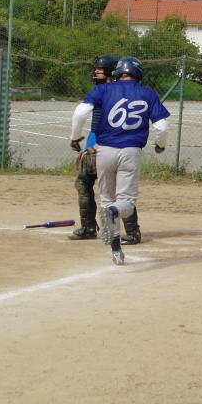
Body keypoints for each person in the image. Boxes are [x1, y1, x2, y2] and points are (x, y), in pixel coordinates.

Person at [70, 56, 170, 265]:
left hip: (104, 150)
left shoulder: (105, 90)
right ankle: (119, 220)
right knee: (126, 201)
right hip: (130, 151)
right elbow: (162, 127)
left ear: (116, 73)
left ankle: (115, 247)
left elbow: (80, 113)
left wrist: (75, 137)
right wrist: (160, 145)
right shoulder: (147, 93)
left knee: (107, 199)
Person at [68, 54, 143, 244]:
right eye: (96, 68)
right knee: (84, 183)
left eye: (101, 69)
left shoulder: (112, 90)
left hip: (110, 145)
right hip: (97, 143)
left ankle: (131, 231)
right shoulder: (103, 89)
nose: (96, 71)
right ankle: (90, 226)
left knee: (119, 190)